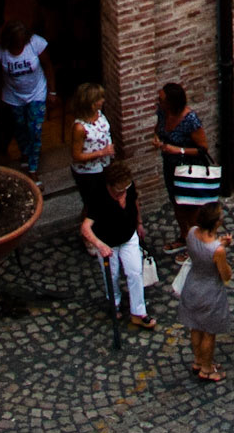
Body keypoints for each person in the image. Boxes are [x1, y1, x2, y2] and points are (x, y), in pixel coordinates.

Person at [79, 164, 154, 332]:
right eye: (119, 191)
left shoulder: (129, 187)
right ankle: (114, 303)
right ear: (110, 186)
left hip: (128, 236)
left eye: (125, 189)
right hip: (108, 242)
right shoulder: (98, 196)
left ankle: (138, 312)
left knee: (135, 272)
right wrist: (100, 245)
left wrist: (139, 222)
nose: (123, 193)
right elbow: (85, 227)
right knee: (112, 275)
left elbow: (134, 202)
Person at [0, 19, 55, 178]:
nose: (20, 45)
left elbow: (48, 66)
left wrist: (52, 92)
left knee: (34, 130)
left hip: (37, 92)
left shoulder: (35, 43)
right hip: (12, 95)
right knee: (19, 128)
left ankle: (33, 168)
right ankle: (25, 152)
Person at [177, 200, 233, 383]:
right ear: (216, 223)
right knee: (209, 332)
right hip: (210, 293)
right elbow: (225, 275)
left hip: (192, 286)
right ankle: (207, 369)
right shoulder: (217, 250)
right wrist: (222, 248)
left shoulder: (192, 232)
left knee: (195, 327)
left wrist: (219, 243)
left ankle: (198, 361)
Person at [152, 81, 211, 240]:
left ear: (172, 102)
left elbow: (203, 149)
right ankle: (184, 236)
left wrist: (179, 150)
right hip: (171, 166)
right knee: (176, 202)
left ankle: (195, 241)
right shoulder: (163, 112)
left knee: (190, 207)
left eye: (161, 99)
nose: (158, 102)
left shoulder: (190, 120)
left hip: (189, 168)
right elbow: (158, 129)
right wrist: (157, 139)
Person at [70, 82, 114, 216]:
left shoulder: (99, 114)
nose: (103, 100)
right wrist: (102, 152)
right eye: (100, 98)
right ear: (92, 103)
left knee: (103, 199)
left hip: (103, 165)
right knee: (92, 204)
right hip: (88, 172)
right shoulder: (79, 128)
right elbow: (76, 155)